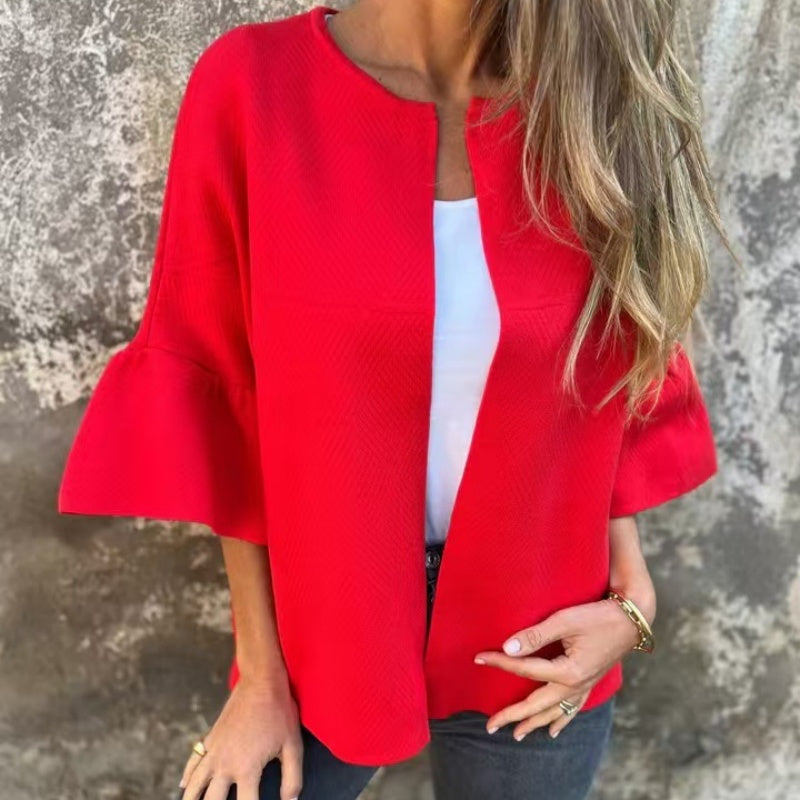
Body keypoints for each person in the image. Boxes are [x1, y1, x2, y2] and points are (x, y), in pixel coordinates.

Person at [58, 2, 733, 799]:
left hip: (543, 636)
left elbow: (609, 370)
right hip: (328, 625)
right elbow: (225, 392)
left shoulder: (588, 100)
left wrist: (632, 600)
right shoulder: (253, 87)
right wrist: (260, 675)